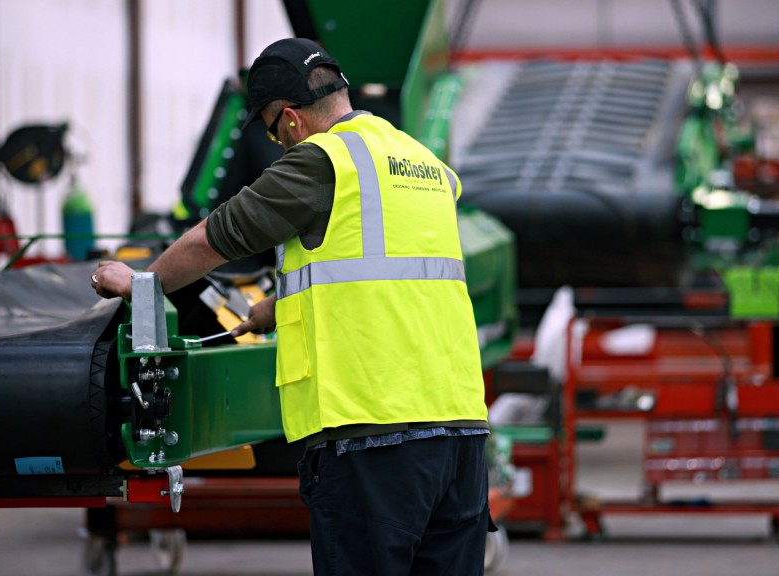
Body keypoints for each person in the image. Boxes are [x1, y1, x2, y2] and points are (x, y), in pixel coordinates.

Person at [91, 38, 494, 574]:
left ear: (290, 120)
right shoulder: (422, 163)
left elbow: (212, 240)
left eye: (272, 131)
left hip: (372, 437)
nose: (279, 144)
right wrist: (280, 307)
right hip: (461, 434)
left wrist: (138, 282)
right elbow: (391, 276)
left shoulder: (324, 161)